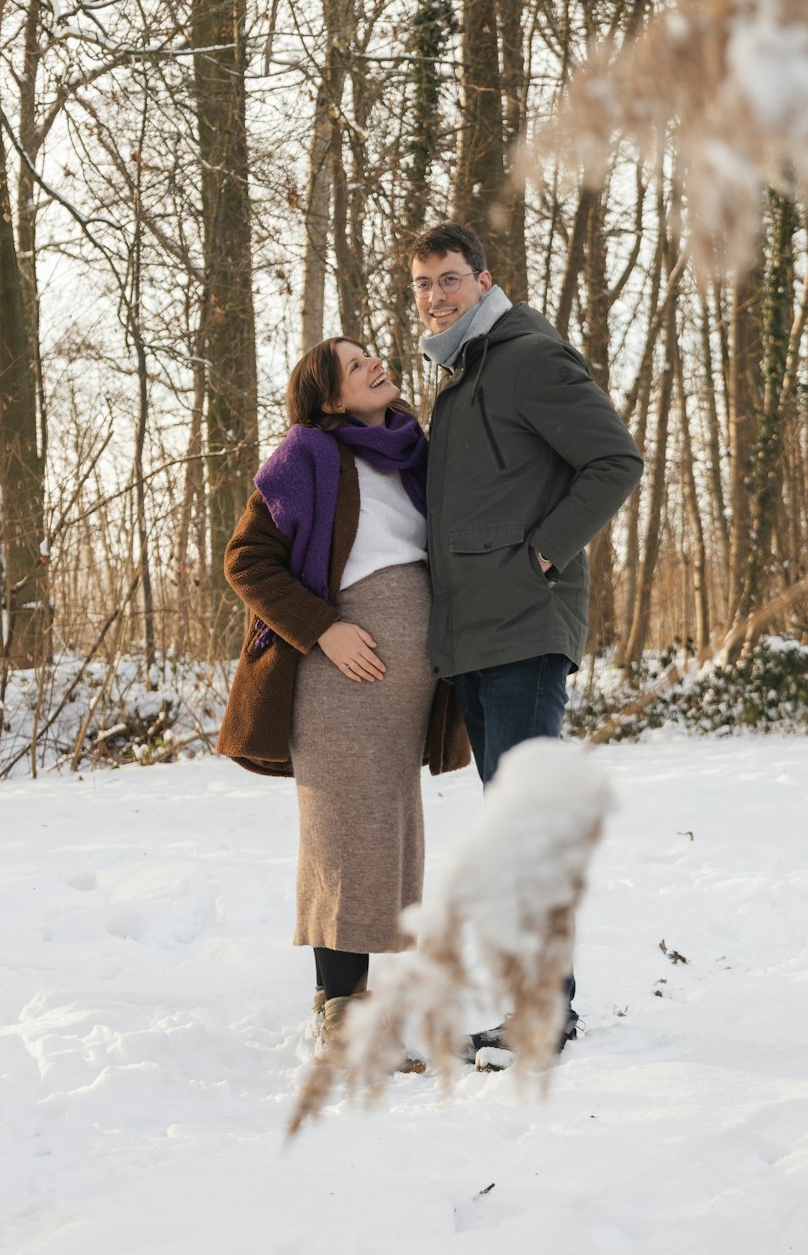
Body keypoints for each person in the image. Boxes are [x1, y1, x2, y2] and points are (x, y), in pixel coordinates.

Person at [409, 221, 644, 1063]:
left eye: (449, 279)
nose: (435, 295)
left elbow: (615, 460)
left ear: (483, 279)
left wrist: (543, 551)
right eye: (424, 285)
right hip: (476, 635)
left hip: (522, 628)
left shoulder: (525, 356)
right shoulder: (466, 372)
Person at [216, 337, 469, 1061]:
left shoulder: (410, 450)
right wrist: (324, 629)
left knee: (385, 837)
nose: (375, 365)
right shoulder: (308, 456)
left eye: (371, 357)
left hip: (404, 685)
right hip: (339, 677)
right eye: (356, 366)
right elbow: (246, 559)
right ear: (332, 399)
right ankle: (346, 1025)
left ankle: (344, 1005)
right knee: (343, 835)